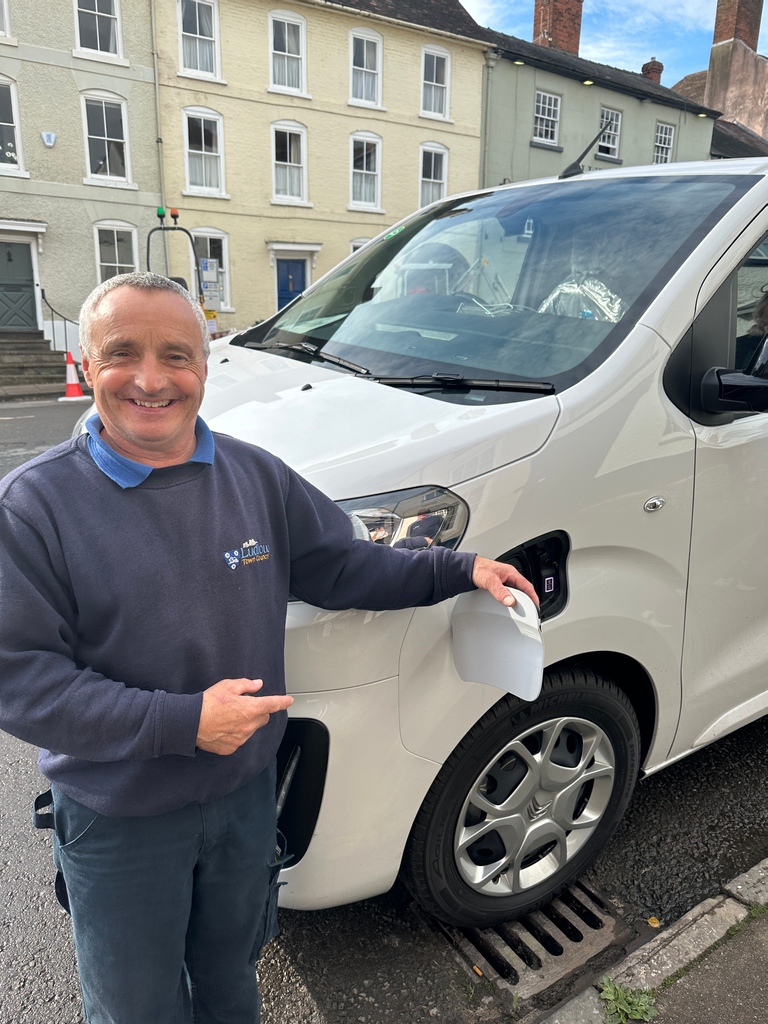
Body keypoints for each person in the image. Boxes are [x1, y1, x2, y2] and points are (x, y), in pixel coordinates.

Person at [0, 272, 538, 1024]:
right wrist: (181, 722)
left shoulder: (255, 477)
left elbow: (344, 565)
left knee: (231, 979)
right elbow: (22, 681)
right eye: (123, 353)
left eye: (177, 356)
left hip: (241, 801)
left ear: (205, 367)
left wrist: (459, 568)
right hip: (120, 817)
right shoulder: (34, 507)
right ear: (88, 364)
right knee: (135, 1008)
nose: (152, 379)